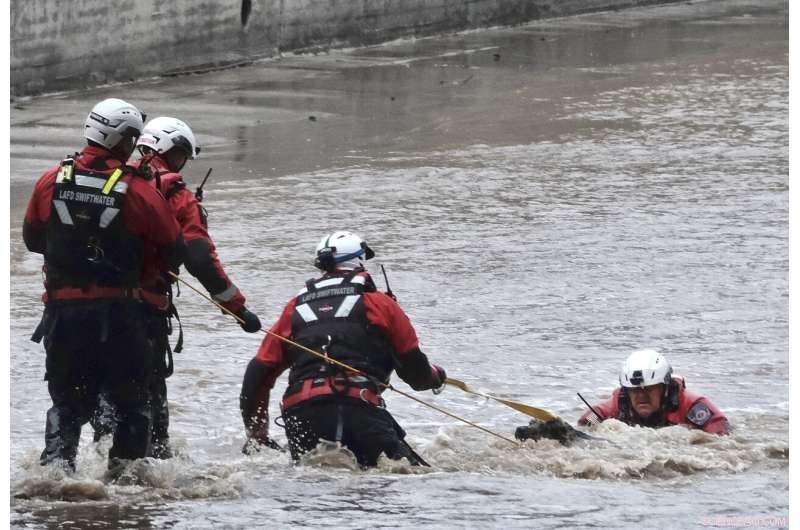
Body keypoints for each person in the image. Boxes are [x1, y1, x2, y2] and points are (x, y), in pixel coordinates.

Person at [23, 98, 185, 473]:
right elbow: (173, 247)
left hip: (63, 316)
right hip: (121, 317)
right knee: (132, 405)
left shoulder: (52, 180)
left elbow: (33, 240)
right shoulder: (139, 190)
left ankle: (56, 475)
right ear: (123, 139)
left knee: (65, 405)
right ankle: (126, 483)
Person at [90, 116, 262, 459]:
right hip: (140, 314)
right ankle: (147, 476)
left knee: (103, 404)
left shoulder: (102, 181)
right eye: (181, 156)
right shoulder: (175, 194)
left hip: (83, 312)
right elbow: (200, 258)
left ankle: (90, 472)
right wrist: (238, 309)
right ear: (169, 150)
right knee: (148, 405)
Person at [239, 230, 447, 467]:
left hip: (301, 417)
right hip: (359, 411)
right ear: (360, 261)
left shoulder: (294, 308)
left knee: (315, 489)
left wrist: (257, 436)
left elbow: (257, 374)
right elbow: (416, 375)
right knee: (417, 476)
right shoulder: (380, 303)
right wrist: (436, 377)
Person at [515, 349, 729, 443]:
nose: (641, 397)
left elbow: (722, 442)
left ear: (665, 388)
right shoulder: (620, 402)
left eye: (649, 389)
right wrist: (569, 433)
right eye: (635, 390)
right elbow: (592, 417)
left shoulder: (695, 407)